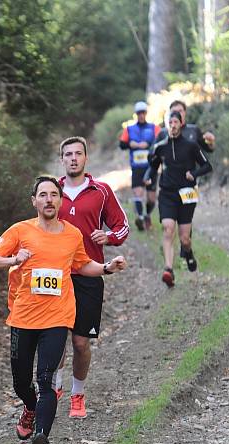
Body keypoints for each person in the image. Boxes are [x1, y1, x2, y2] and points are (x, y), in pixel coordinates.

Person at [0, 176, 127, 444]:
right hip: (23, 317)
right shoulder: (19, 231)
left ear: (60, 201)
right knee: (22, 382)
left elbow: (82, 265)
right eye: (43, 195)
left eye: (54, 195)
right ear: (34, 201)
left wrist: (107, 268)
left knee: (46, 380)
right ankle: (30, 407)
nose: (49, 199)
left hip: (57, 318)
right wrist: (13, 260)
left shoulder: (72, 235)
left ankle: (41, 438)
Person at [56, 136, 130, 419]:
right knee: (54, 336)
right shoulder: (54, 191)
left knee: (79, 342)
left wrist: (108, 237)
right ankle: (55, 387)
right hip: (57, 275)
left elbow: (122, 227)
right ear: (61, 159)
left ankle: (78, 394)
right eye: (68, 154)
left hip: (89, 273)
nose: (73, 158)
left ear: (86, 158)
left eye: (78, 154)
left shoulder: (101, 191)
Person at [146, 111, 213, 287]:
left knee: (184, 238)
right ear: (167, 125)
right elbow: (153, 167)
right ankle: (168, 269)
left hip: (186, 194)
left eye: (176, 122)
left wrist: (194, 173)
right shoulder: (161, 147)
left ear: (181, 124)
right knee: (168, 229)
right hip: (167, 193)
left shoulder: (191, 145)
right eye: (170, 122)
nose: (173, 125)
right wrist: (149, 177)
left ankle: (189, 253)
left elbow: (207, 165)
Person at [119, 101, 161, 231]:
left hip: (151, 167)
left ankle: (147, 215)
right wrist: (130, 144)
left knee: (151, 198)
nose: (141, 115)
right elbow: (121, 144)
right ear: (136, 114)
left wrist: (148, 145)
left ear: (146, 113)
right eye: (139, 113)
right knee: (137, 192)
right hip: (137, 167)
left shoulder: (154, 128)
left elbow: (161, 142)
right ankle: (141, 218)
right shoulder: (129, 129)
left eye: (143, 113)